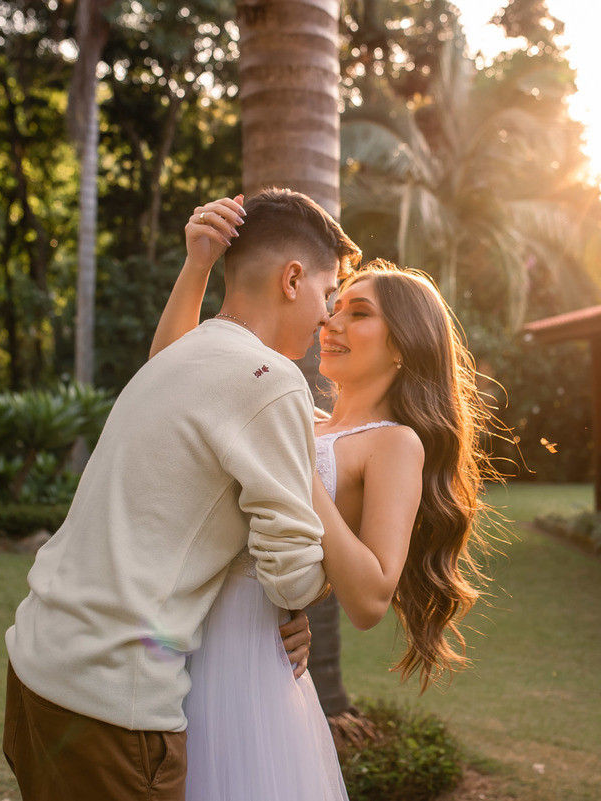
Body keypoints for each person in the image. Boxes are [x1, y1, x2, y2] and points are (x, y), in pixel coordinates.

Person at [2, 188, 362, 801]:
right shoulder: (272, 381)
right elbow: (293, 576)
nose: (327, 317)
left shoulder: (183, 354)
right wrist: (306, 595)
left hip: (39, 660)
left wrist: (197, 260)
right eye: (328, 296)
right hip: (111, 699)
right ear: (293, 278)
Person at [151, 242, 495, 800]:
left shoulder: (393, 443)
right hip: (181, 646)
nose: (332, 321)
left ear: (406, 346)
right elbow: (170, 378)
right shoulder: (291, 415)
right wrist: (197, 265)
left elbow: (369, 600)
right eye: (336, 306)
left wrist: (300, 473)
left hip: (251, 666)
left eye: (360, 313)